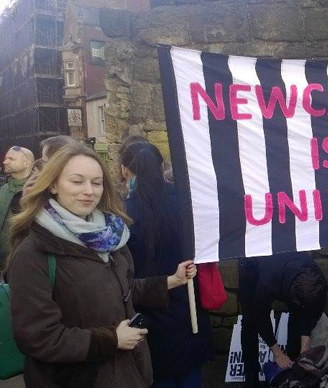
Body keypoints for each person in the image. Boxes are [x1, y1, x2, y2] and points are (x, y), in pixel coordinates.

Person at [6, 143, 197, 387]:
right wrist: (111, 340)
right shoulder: (33, 253)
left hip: (128, 374)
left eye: (96, 183)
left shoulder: (111, 237)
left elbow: (122, 290)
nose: (89, 191)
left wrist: (171, 281)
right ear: (53, 184)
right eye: (77, 181)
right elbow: (37, 336)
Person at [120, 141, 213, 387]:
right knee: (190, 374)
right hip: (188, 302)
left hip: (148, 309)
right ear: (162, 166)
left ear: (124, 171)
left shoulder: (123, 215)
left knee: (160, 376)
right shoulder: (186, 202)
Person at [239, 252, 327, 387]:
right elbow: (260, 316)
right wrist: (277, 352)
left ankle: (293, 366)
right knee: (249, 321)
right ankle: (251, 375)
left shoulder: (318, 282)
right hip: (253, 262)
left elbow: (309, 314)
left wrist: (305, 347)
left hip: (285, 263)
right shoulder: (267, 283)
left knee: (298, 316)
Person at [0, 146, 34, 269]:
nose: (5, 162)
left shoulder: (38, 191)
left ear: (26, 164)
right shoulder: (3, 190)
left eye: (11, 159)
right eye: (5, 158)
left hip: (24, 263)